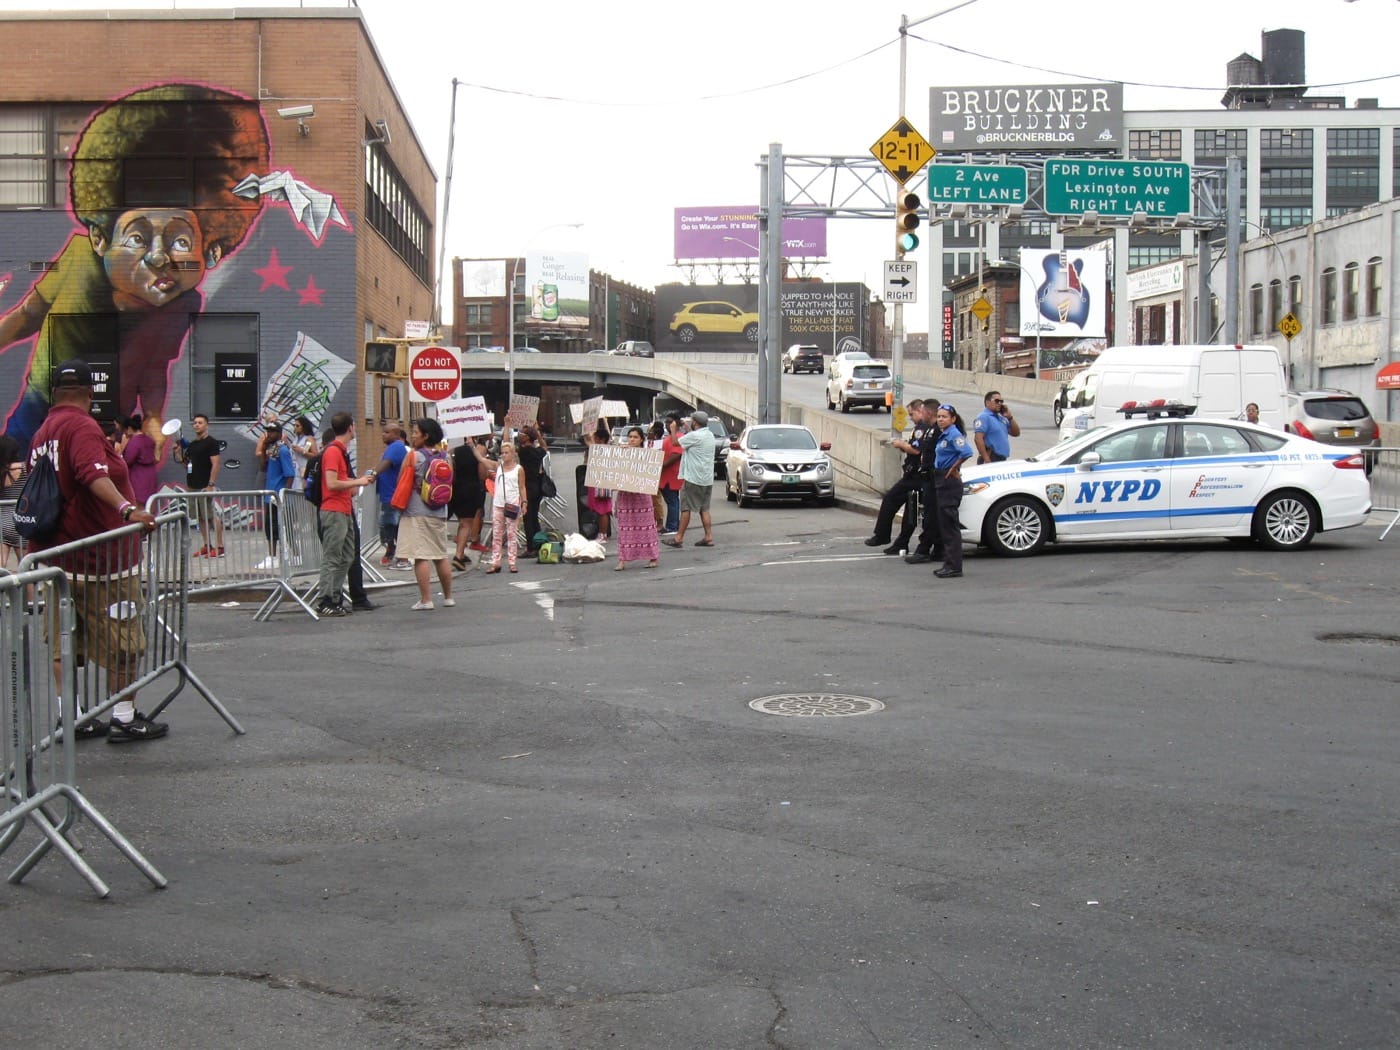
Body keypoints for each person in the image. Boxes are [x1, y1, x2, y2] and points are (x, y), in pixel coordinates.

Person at [0, 85, 272, 450]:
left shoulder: (182, 305)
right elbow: (28, 315)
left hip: (111, 424)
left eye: (180, 241)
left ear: (211, 252)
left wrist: (153, 419)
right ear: (100, 238)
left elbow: (154, 367)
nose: (159, 258)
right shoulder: (80, 261)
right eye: (138, 238)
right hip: (43, 406)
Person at [25, 359, 162, 741]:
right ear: (90, 392)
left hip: (57, 560)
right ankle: (123, 715)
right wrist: (128, 509)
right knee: (125, 640)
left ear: (55, 392)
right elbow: (93, 475)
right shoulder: (81, 426)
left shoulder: (44, 431)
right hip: (101, 562)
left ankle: (72, 715)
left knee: (64, 642)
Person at [313, 412, 374, 617]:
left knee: (347, 556)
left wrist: (356, 483)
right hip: (333, 510)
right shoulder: (333, 452)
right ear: (350, 428)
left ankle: (335, 596)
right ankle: (325, 600)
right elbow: (331, 483)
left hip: (344, 510)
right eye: (354, 426)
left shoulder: (341, 452)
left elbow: (343, 483)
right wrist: (358, 482)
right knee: (332, 557)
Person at [396, 418, 455, 610]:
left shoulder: (414, 457)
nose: (412, 436)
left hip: (416, 510)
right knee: (440, 555)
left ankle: (426, 599)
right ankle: (448, 597)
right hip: (439, 510)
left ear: (425, 435)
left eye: (415, 432)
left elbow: (402, 479)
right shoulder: (445, 457)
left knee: (420, 556)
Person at [864, 399, 932, 555]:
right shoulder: (925, 428)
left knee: (890, 500)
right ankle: (902, 543)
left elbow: (916, 450)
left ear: (920, 411)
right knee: (911, 511)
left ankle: (881, 535)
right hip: (918, 475)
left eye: (912, 414)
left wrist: (901, 445)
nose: (911, 418)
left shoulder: (922, 428)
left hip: (914, 476)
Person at [928, 403, 975, 579]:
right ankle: (949, 563)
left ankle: (954, 566)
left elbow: (966, 452)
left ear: (953, 419)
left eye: (944, 417)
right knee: (944, 524)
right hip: (940, 478)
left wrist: (954, 468)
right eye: (939, 416)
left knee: (949, 525)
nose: (941, 419)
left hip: (948, 481)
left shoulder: (954, 434)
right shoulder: (944, 434)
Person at [663, 409, 716, 548]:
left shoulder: (694, 436)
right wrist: (687, 429)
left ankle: (678, 538)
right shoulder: (709, 435)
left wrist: (673, 429)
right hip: (707, 478)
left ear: (695, 422)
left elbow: (676, 443)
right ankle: (708, 536)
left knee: (685, 508)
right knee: (704, 509)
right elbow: (692, 438)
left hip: (693, 478)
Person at [173, 413, 224, 557]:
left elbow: (216, 464)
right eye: (195, 423)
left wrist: (211, 484)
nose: (196, 425)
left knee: (211, 516)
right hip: (192, 485)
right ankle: (207, 545)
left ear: (206, 425)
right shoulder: (193, 445)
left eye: (200, 422)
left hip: (204, 485)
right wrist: (178, 454)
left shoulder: (211, 442)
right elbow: (187, 464)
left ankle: (220, 547)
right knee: (200, 517)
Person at [475, 438, 527, 574]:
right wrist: (470, 444)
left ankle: (512, 562)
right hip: (499, 504)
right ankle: (495, 562)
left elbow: (522, 487)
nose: (504, 455)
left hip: (512, 504)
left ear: (513, 454)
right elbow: (481, 459)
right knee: (497, 534)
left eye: (507, 453)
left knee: (511, 534)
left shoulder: (518, 469)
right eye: (502, 453)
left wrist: (524, 502)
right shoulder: (498, 466)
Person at [614, 427, 660, 571]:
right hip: (625, 495)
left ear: (641, 439)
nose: (632, 439)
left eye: (635, 437)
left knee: (646, 526)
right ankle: (622, 559)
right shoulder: (621, 453)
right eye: (630, 437)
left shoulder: (647, 455)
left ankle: (653, 557)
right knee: (625, 528)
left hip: (641, 495)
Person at [257, 422, 295, 569]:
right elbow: (263, 467)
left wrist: (285, 493)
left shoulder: (282, 450)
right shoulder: (271, 449)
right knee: (270, 526)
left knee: (278, 525)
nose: (270, 434)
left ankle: (279, 556)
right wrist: (263, 447)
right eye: (268, 431)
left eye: (273, 431)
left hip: (278, 493)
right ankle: (272, 556)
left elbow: (290, 473)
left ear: (279, 433)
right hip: (270, 492)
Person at [374, 424, 409, 568]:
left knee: (394, 525)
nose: (383, 435)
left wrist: (372, 475)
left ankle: (402, 558)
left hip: (393, 495)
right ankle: (393, 551)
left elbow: (385, 464)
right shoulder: (393, 448)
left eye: (387, 432)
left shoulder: (396, 447)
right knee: (389, 526)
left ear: (396, 434)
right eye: (383, 432)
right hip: (388, 494)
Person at [450, 435, 486, 569]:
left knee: (462, 522)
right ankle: (458, 556)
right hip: (471, 489)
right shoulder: (479, 450)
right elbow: (482, 475)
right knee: (466, 524)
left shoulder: (453, 450)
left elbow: (451, 471)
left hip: (456, 489)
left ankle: (461, 553)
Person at [516, 425, 549, 554]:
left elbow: (509, 445)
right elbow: (544, 447)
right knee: (534, 517)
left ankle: (530, 547)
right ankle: (537, 543)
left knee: (528, 518)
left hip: (528, 487)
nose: (519, 435)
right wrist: (538, 435)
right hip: (538, 487)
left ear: (527, 438)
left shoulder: (524, 451)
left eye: (522, 434)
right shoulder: (537, 451)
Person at [582, 421, 613, 542]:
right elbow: (588, 440)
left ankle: (603, 535)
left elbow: (589, 441)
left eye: (595, 437)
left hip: (601, 482)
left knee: (602, 510)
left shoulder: (601, 449)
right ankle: (602, 533)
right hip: (597, 480)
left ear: (600, 439)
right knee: (599, 510)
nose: (592, 438)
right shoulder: (601, 448)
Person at [972, 390, 1020, 465]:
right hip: (991, 457)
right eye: (997, 401)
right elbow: (978, 439)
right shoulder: (983, 417)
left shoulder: (1002, 418)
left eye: (1001, 401)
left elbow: (1016, 433)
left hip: (1001, 458)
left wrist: (1010, 417)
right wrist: (986, 459)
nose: (1000, 403)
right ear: (987, 402)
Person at [121, 414, 159, 505]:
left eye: (125, 430)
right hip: (151, 475)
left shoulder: (134, 442)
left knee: (137, 504)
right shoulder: (150, 440)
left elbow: (128, 460)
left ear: (129, 428)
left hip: (137, 476)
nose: (125, 433)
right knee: (149, 504)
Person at [0, 434, 25, 569]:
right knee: (26, 570)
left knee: (0, 569)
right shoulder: (25, 468)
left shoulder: (1, 472)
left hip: (2, 524)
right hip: (21, 522)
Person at [658, 415, 683, 535]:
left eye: (669, 422)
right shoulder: (668, 438)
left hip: (671, 475)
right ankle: (673, 524)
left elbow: (676, 454)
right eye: (666, 422)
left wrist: (662, 464)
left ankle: (672, 526)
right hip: (666, 475)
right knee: (672, 501)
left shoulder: (679, 437)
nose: (667, 425)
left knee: (672, 501)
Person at [288, 415, 319, 485]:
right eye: (294, 425)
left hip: (303, 470)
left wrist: (302, 451)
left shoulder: (308, 439)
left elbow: (316, 455)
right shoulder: (295, 439)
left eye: (297, 426)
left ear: (303, 427)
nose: (295, 427)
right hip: (294, 469)